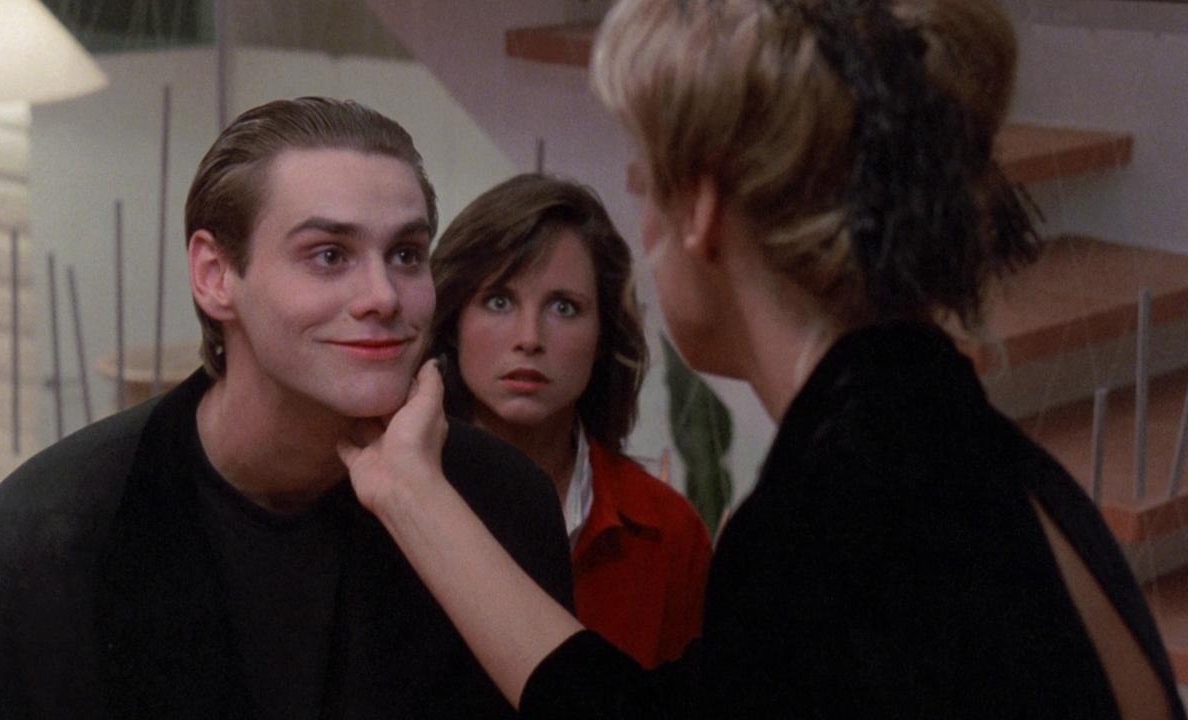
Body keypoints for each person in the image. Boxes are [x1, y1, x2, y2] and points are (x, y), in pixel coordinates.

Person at [336, 1, 1188, 718]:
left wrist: (411, 493)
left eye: (646, 186)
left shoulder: (848, 512)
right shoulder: (976, 461)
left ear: (702, 208)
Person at [0, 97, 573, 720]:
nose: (383, 295)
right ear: (215, 276)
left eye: (406, 255)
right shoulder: (26, 549)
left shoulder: (504, 504)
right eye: (329, 255)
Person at [429, 173, 713, 668]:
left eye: (564, 307)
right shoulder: (391, 495)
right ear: (453, 321)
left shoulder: (669, 533)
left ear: (603, 335)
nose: (529, 338)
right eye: (499, 300)